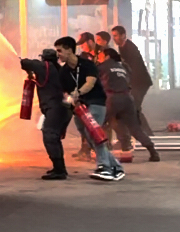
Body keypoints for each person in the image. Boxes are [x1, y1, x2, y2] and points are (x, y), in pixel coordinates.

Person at [55, 36, 124, 181]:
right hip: (80, 107)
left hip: (96, 103)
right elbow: (66, 92)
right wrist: (69, 100)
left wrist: (77, 93)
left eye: (60, 51)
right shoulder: (64, 72)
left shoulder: (87, 65)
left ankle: (104, 167)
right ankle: (116, 166)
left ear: (69, 50)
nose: (58, 54)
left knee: (93, 132)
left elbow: (90, 82)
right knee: (89, 136)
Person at [96, 47, 161, 162]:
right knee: (133, 127)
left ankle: (97, 152)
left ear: (107, 56)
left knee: (98, 124)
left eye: (100, 55)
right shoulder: (124, 66)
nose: (99, 57)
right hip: (127, 98)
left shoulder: (102, 67)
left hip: (112, 98)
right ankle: (151, 151)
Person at [20, 49, 72, 180]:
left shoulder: (45, 67)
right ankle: (59, 167)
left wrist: (20, 61)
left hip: (55, 108)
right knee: (53, 137)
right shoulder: (58, 69)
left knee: (49, 135)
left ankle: (60, 170)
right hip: (63, 108)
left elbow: (25, 63)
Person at [111, 25, 155, 137]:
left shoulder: (129, 48)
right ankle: (145, 133)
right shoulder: (123, 47)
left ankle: (145, 133)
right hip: (137, 82)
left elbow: (135, 68)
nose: (114, 38)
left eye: (116, 35)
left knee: (134, 107)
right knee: (134, 108)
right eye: (113, 36)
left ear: (123, 35)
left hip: (140, 82)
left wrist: (129, 83)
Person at [70, 32, 98, 160]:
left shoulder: (100, 55)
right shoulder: (83, 57)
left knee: (95, 124)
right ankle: (85, 149)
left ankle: (97, 150)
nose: (82, 47)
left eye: (83, 44)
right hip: (85, 94)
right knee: (82, 122)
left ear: (90, 42)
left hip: (98, 95)